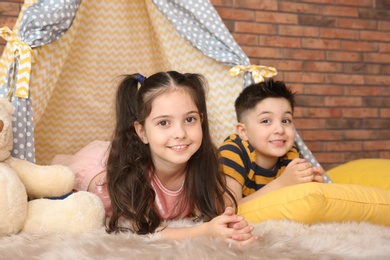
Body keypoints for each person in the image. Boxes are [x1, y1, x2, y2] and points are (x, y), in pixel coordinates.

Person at [86, 71, 257, 247]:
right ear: (142, 132)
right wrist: (206, 231)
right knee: (65, 171)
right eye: (163, 123)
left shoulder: (205, 166)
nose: (180, 133)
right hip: (96, 163)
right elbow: (142, 230)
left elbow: (226, 207)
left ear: (201, 121)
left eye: (190, 119)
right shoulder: (127, 175)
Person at [219, 78, 324, 205]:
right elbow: (227, 208)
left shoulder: (291, 153)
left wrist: (308, 186)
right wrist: (282, 183)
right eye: (266, 121)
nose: (280, 130)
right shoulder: (232, 151)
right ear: (243, 132)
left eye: (286, 120)